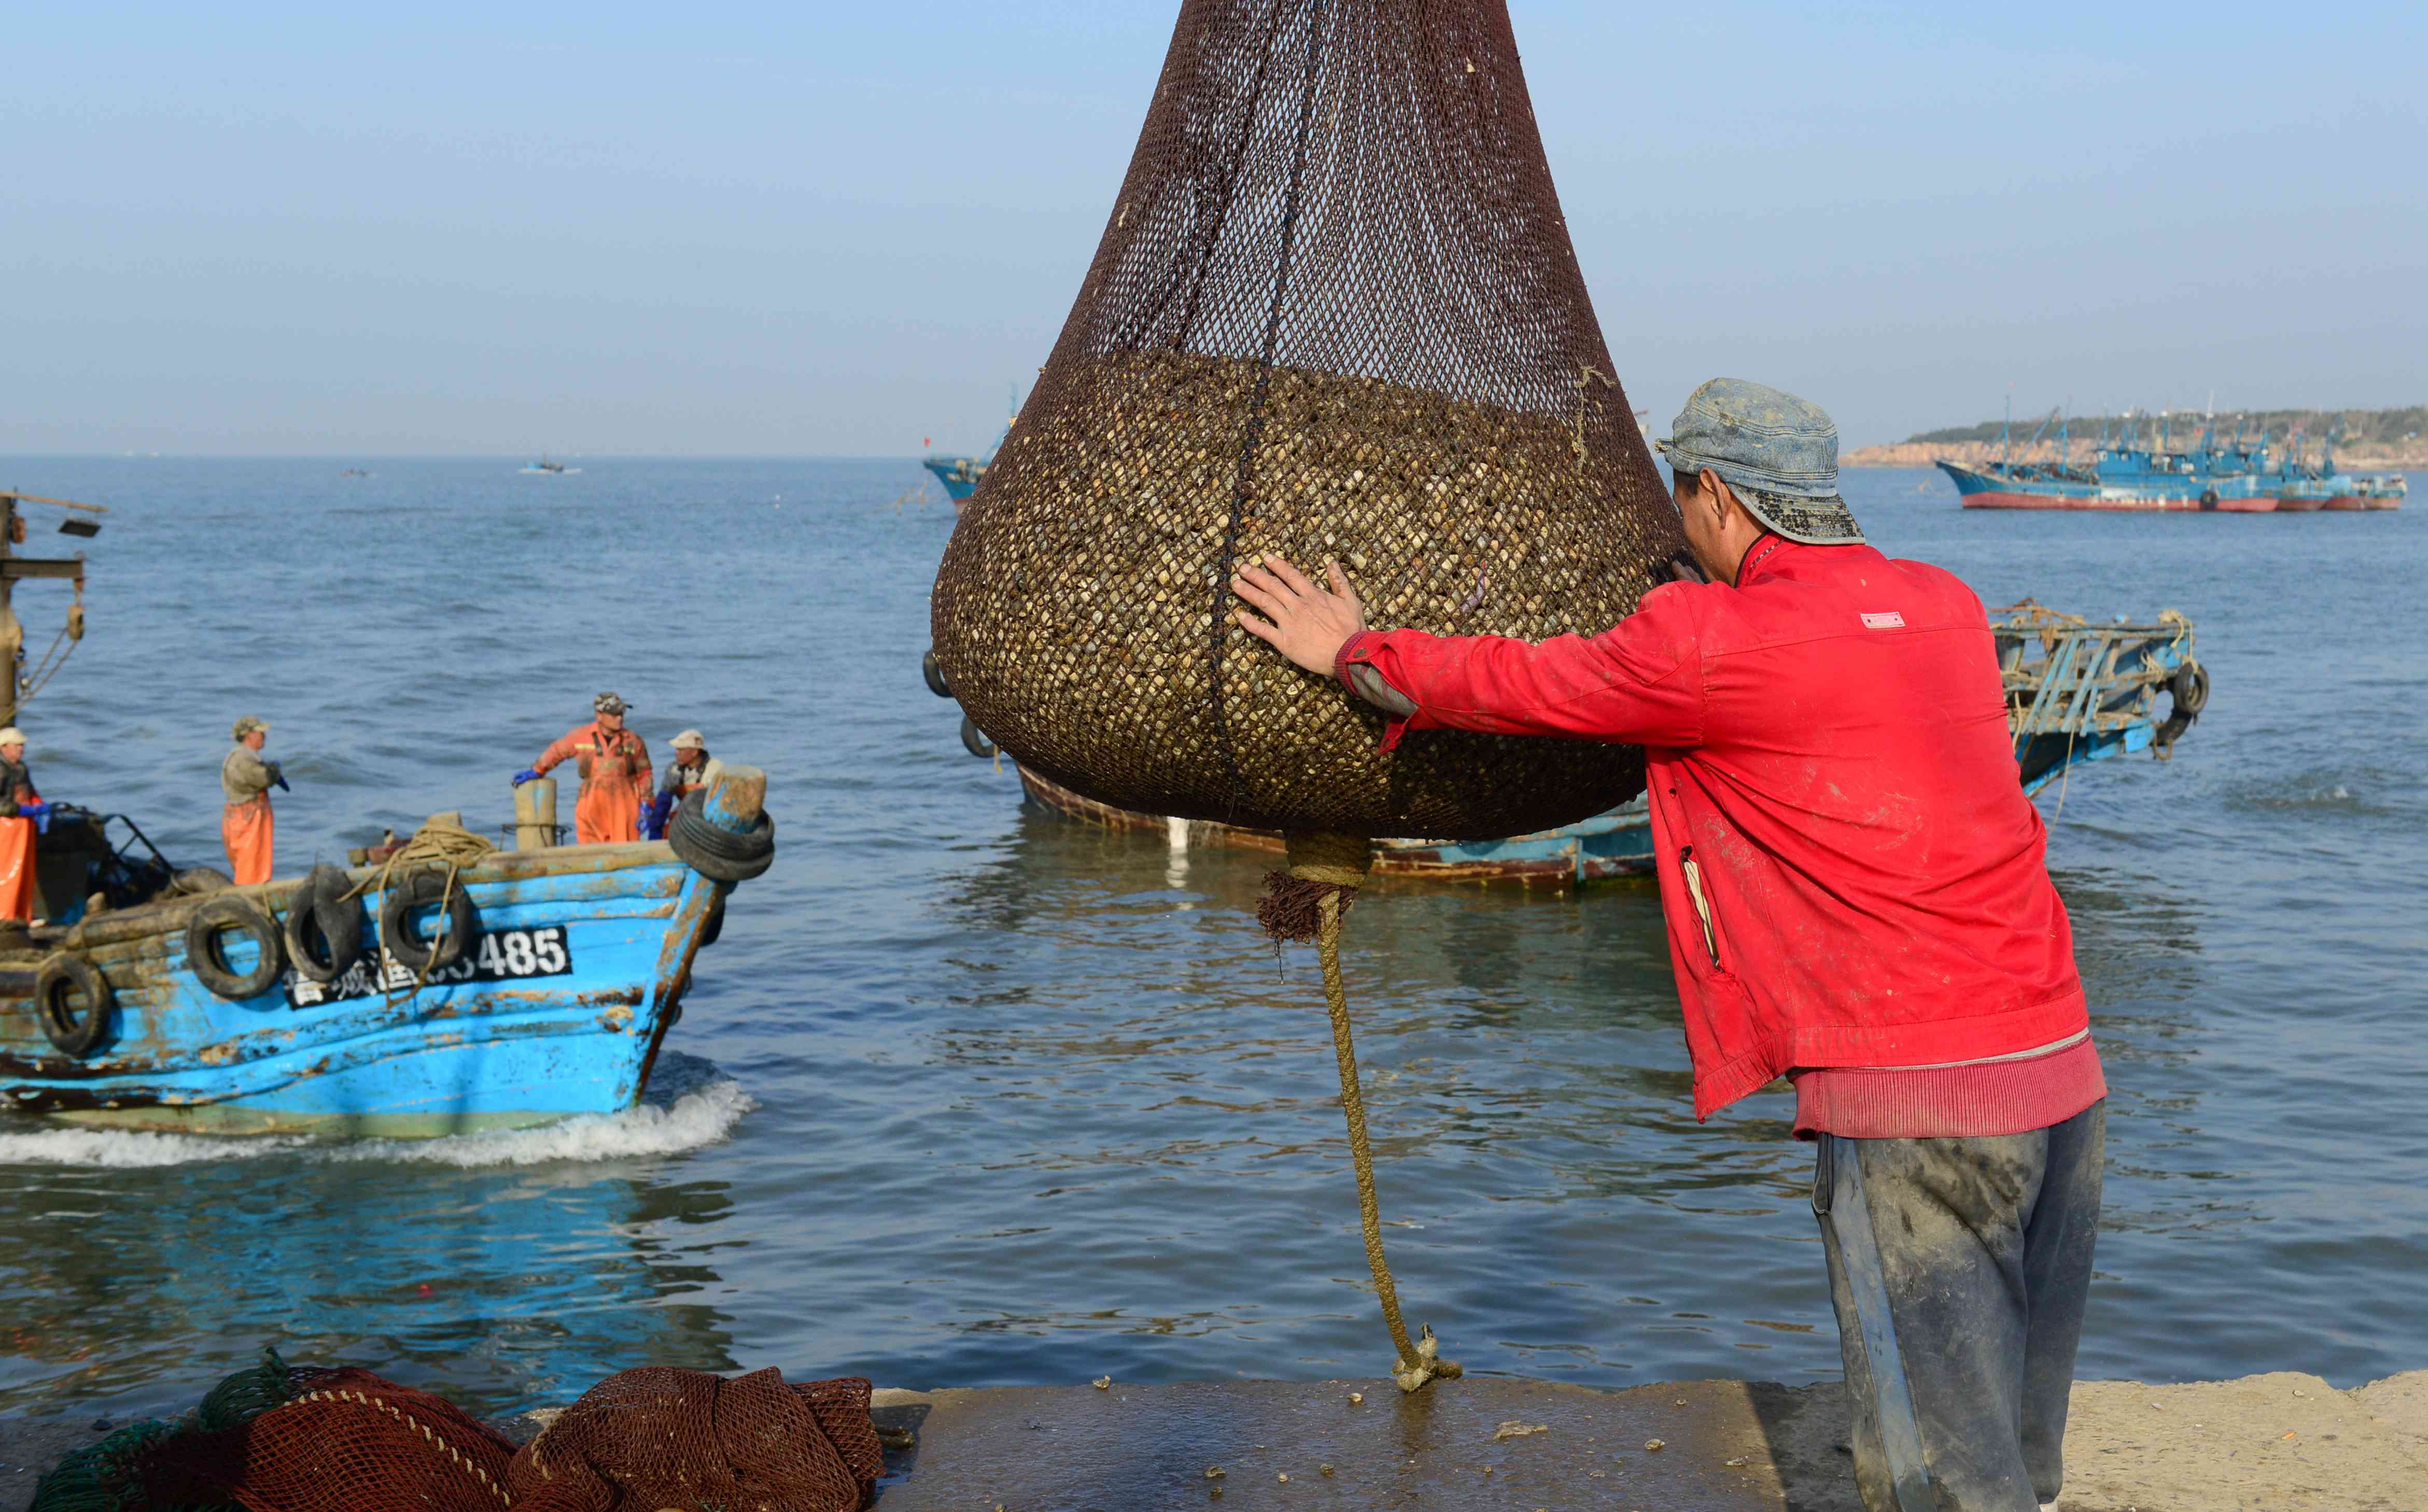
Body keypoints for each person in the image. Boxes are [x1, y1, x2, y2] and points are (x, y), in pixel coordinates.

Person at [1228, 378, 2102, 1512]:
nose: (1675, 519)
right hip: (2060, 1073)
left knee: (1934, 1473)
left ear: (1719, 498)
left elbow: (1514, 684)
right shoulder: (1941, 603)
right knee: (2014, 1453)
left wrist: (1353, 652)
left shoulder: (1706, 639)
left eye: (1677, 494)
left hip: (1913, 1107)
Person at [516, 693, 652, 845]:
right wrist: (538, 770)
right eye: (614, 714)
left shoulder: (632, 740)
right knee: (590, 846)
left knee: (624, 849)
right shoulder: (581, 736)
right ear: (599, 716)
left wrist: (646, 803)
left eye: (621, 713)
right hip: (591, 801)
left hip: (624, 804)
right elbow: (557, 751)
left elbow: (645, 772)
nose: (619, 718)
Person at [222, 715, 286, 886]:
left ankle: (251, 889)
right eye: (260, 732)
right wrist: (272, 773)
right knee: (251, 861)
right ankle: (251, 895)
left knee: (250, 861)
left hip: (240, 813)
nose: (264, 736)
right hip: (249, 814)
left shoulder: (243, 756)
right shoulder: (242, 758)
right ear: (249, 735)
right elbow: (260, 779)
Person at [0, 727, 51, 922]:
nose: (22, 749)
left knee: (24, 871)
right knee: (7, 872)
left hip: (24, 828)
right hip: (6, 826)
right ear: (5, 747)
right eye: (18, 745)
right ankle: (5, 916)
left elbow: (30, 792)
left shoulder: (21, 768)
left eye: (23, 745)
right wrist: (20, 810)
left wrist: (39, 805)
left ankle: (23, 915)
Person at [642, 730, 724, 840]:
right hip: (684, 812)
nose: (677, 753)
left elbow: (710, 799)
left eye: (681, 750)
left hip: (708, 815)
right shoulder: (674, 769)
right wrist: (656, 826)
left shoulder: (714, 768)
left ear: (694, 752)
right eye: (677, 750)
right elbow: (664, 800)